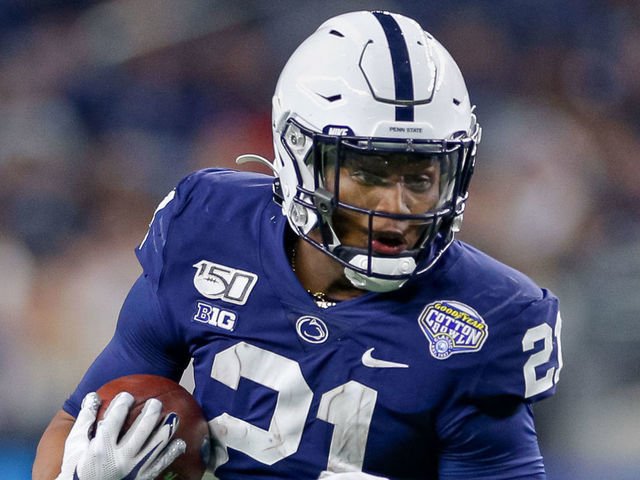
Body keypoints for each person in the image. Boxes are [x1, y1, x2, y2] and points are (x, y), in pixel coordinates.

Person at [33, 10, 563, 480]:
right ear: (297, 153)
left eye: (420, 177)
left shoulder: (486, 318)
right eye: (368, 172)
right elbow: (73, 423)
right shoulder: (208, 227)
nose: (398, 206)